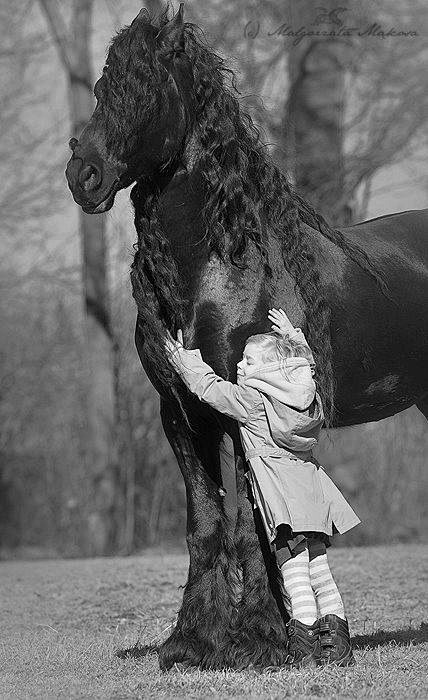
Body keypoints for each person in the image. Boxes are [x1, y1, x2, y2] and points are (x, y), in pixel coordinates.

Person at [164, 308, 360, 668]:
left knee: (294, 571)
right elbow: (306, 368)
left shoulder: (255, 403)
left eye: (249, 361)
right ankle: (338, 645)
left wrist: (183, 360)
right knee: (319, 569)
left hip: (283, 503)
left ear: (268, 370)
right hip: (314, 495)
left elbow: (210, 388)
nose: (240, 366)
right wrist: (294, 338)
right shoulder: (307, 398)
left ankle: (303, 645)